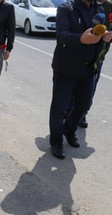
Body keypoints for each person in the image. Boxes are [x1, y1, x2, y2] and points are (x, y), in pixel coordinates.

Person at [49, 0, 112, 159]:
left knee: (84, 105)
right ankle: (56, 142)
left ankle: (69, 129)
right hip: (66, 69)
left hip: (88, 68)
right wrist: (80, 39)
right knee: (59, 108)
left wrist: (105, 38)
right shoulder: (66, 8)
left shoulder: (98, 8)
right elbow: (61, 35)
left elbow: (98, 33)